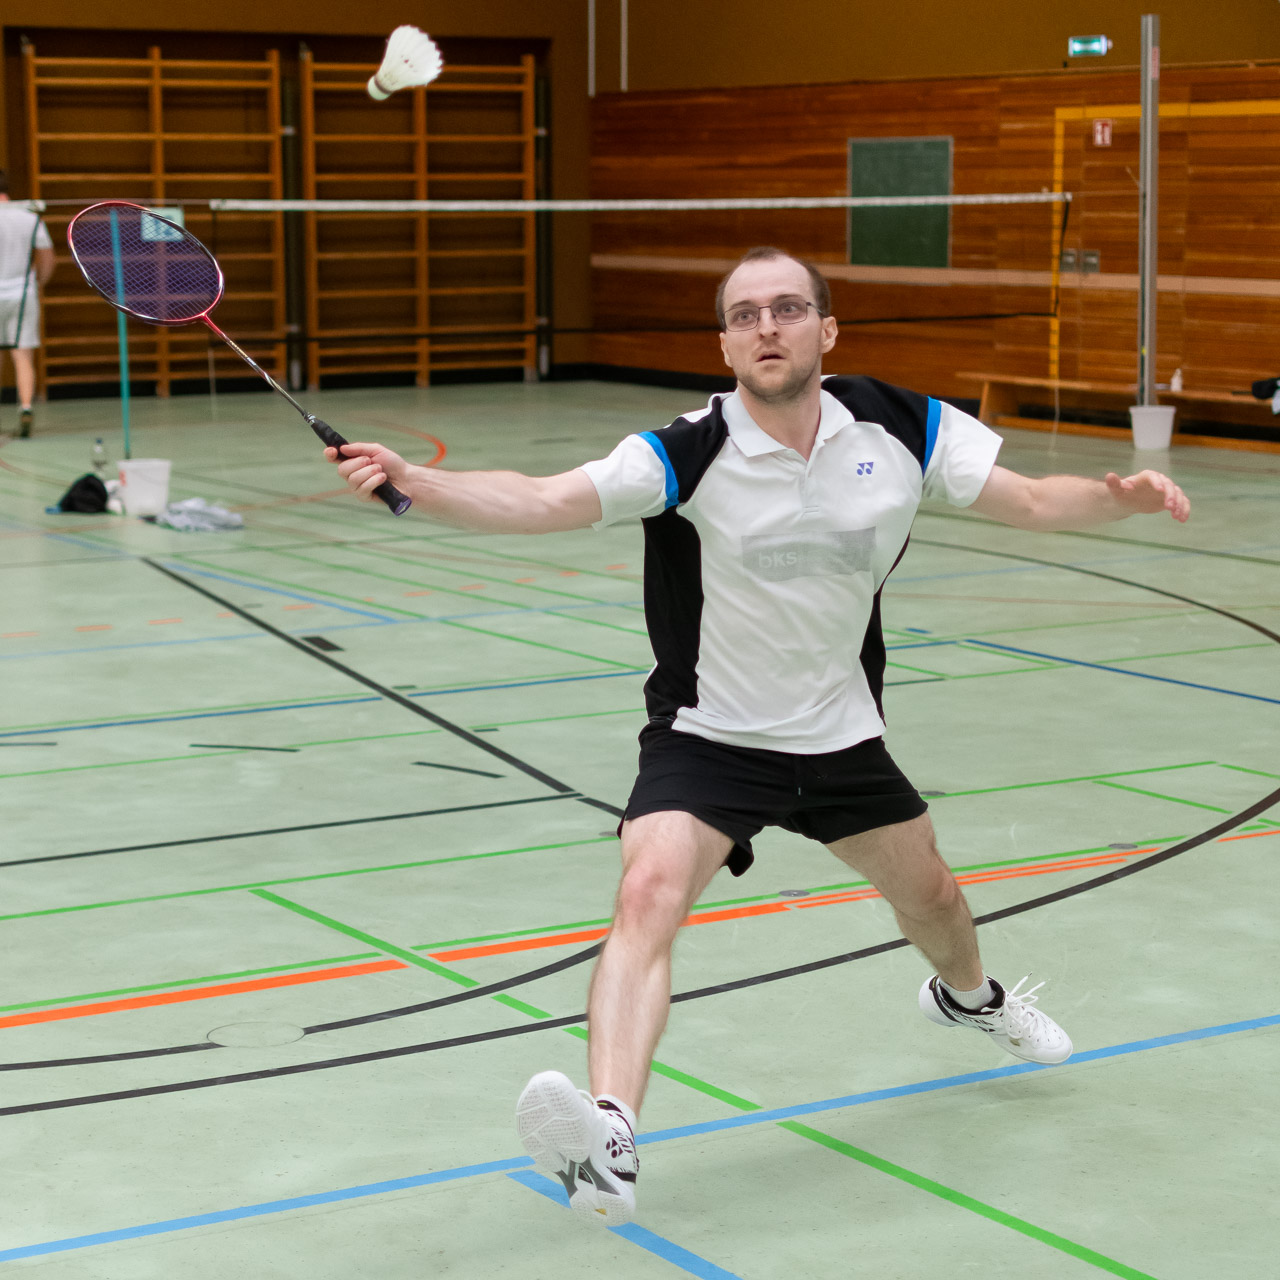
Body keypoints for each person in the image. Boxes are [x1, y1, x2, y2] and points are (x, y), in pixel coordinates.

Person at [327, 246, 1190, 1227]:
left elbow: (1028, 498)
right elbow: (544, 498)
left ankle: (968, 998)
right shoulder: (684, 452)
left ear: (827, 328)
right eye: (744, 315)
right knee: (647, 892)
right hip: (709, 737)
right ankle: (608, 1138)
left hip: (840, 737)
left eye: (787, 308)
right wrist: (417, 482)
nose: (766, 326)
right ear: (725, 344)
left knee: (934, 896)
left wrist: (1116, 496)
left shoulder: (902, 425)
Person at [0, 174, 55, 438]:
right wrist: (38, 282)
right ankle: (25, 407)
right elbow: (47, 257)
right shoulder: (29, 217)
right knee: (22, 356)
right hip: (23, 293)